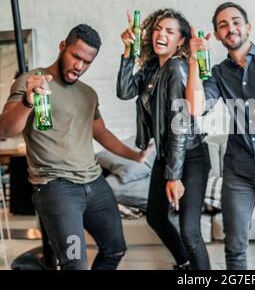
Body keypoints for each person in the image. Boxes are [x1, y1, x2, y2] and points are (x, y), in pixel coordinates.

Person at [0, 24, 150, 270]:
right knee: (75, 265)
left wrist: (136, 155)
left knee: (115, 249)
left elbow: (101, 133)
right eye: (76, 57)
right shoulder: (32, 81)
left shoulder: (88, 94)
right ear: (63, 47)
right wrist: (28, 100)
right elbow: (5, 129)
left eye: (87, 62)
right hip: (56, 188)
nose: (79, 66)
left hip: (95, 183)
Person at [186, 2, 255, 270]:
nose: (230, 28)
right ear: (217, 34)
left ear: (248, 27)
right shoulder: (219, 74)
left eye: (235, 22)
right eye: (223, 25)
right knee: (234, 245)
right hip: (239, 171)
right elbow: (195, 107)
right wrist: (193, 61)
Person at [116, 8, 211, 270]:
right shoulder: (151, 68)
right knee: (156, 218)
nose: (161, 34)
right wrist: (128, 51)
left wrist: (174, 175)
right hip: (166, 155)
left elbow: (180, 126)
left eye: (169, 31)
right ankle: (185, 265)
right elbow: (124, 91)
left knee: (190, 232)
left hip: (190, 157)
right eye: (158, 28)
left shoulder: (177, 68)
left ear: (181, 41)